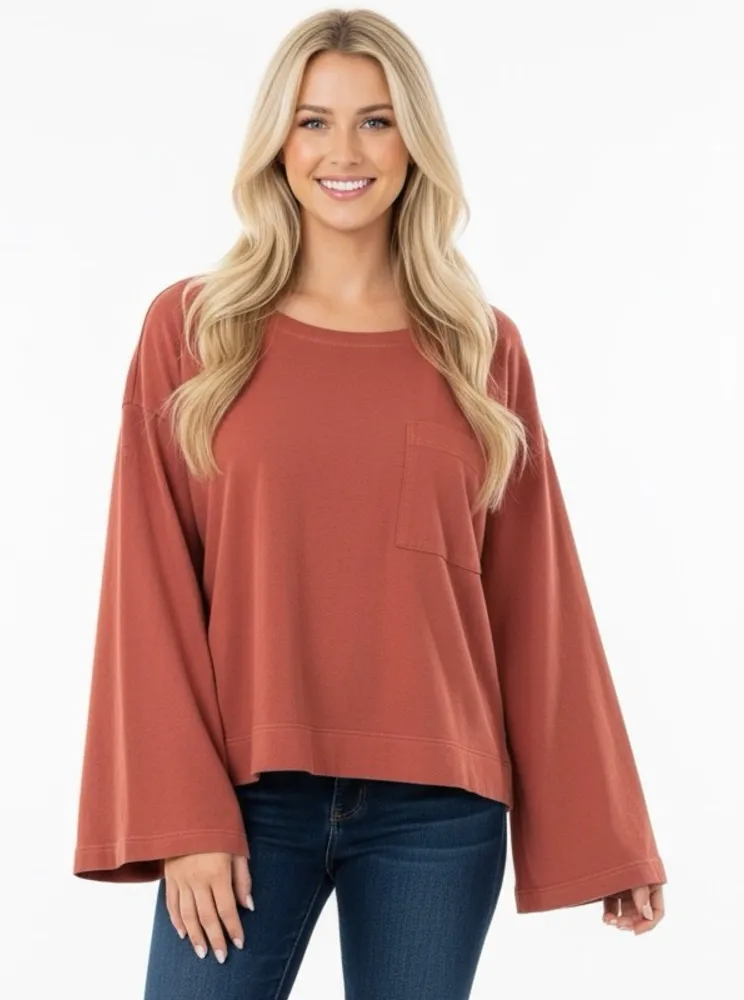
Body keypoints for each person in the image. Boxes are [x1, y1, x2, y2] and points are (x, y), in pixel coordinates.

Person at [72, 7, 668, 999]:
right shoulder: (195, 329)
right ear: (278, 142)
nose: (343, 151)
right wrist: (182, 818)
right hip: (247, 800)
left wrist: (611, 833)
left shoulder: (479, 346)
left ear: (414, 142)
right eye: (313, 121)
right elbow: (148, 583)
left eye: (376, 121)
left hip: (438, 811)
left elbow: (537, 597)